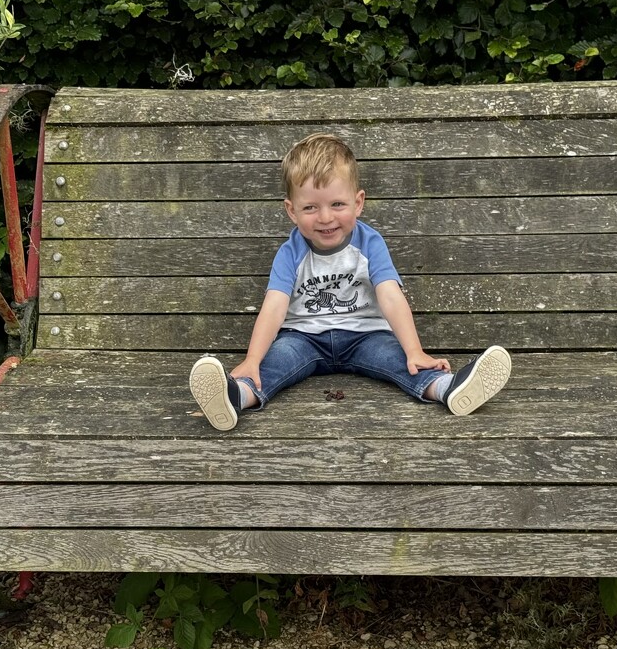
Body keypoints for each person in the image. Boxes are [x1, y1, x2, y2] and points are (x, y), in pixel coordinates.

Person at [189, 133, 511, 431]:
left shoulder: (369, 244)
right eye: (310, 208)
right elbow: (274, 307)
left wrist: (414, 350)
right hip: (304, 338)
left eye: (337, 204)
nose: (326, 217)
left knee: (401, 361)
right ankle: (235, 397)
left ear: (358, 202)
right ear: (292, 211)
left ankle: (448, 388)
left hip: (365, 336)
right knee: (273, 364)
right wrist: (252, 360)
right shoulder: (291, 253)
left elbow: (390, 296)